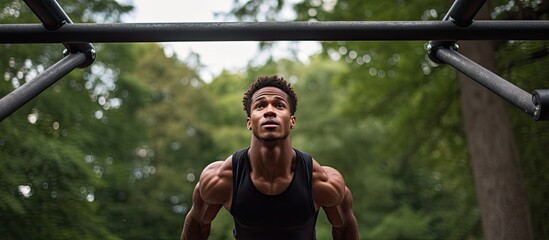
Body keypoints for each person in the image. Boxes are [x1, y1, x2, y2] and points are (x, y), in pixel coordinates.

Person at [181, 75, 358, 240]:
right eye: (260, 105)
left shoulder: (322, 181)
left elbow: (344, 227)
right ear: (250, 122)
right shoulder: (221, 178)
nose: (269, 111)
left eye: (279, 105)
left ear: (292, 121)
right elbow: (197, 223)